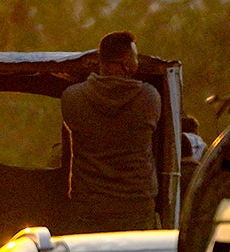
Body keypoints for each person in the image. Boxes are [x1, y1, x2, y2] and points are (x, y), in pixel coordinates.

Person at [61, 30, 162, 234]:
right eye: (135, 57)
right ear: (126, 62)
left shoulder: (72, 97)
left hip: (89, 206)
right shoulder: (149, 97)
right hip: (136, 206)